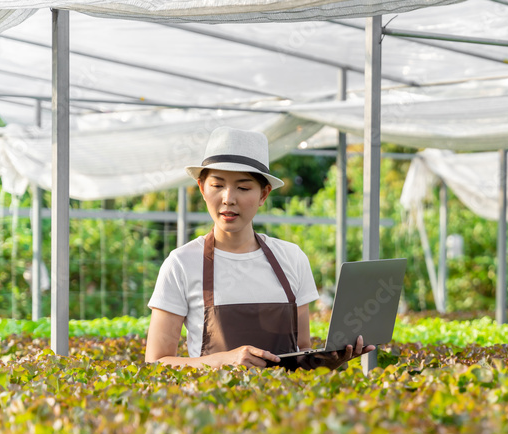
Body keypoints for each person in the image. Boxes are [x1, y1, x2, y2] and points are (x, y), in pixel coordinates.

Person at [145, 126, 373, 369]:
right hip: (212, 404)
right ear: (202, 188)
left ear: (264, 194)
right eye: (217, 185)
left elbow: (302, 350)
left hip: (283, 404)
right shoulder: (181, 264)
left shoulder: (292, 258)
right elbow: (156, 361)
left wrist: (329, 361)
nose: (228, 198)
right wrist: (225, 361)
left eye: (243, 188)